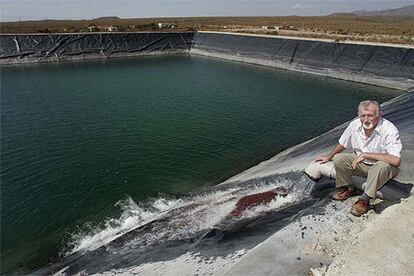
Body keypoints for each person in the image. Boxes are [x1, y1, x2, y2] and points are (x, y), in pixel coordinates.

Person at [316, 100, 402, 216]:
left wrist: (366, 155)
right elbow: (342, 143)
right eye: (363, 116)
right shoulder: (355, 124)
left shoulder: (389, 129)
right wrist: (329, 157)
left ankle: (365, 199)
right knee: (339, 159)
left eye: (370, 115)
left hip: (384, 169)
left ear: (380, 114)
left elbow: (396, 160)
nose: (366, 120)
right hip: (362, 165)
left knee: (381, 165)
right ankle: (350, 188)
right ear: (358, 115)